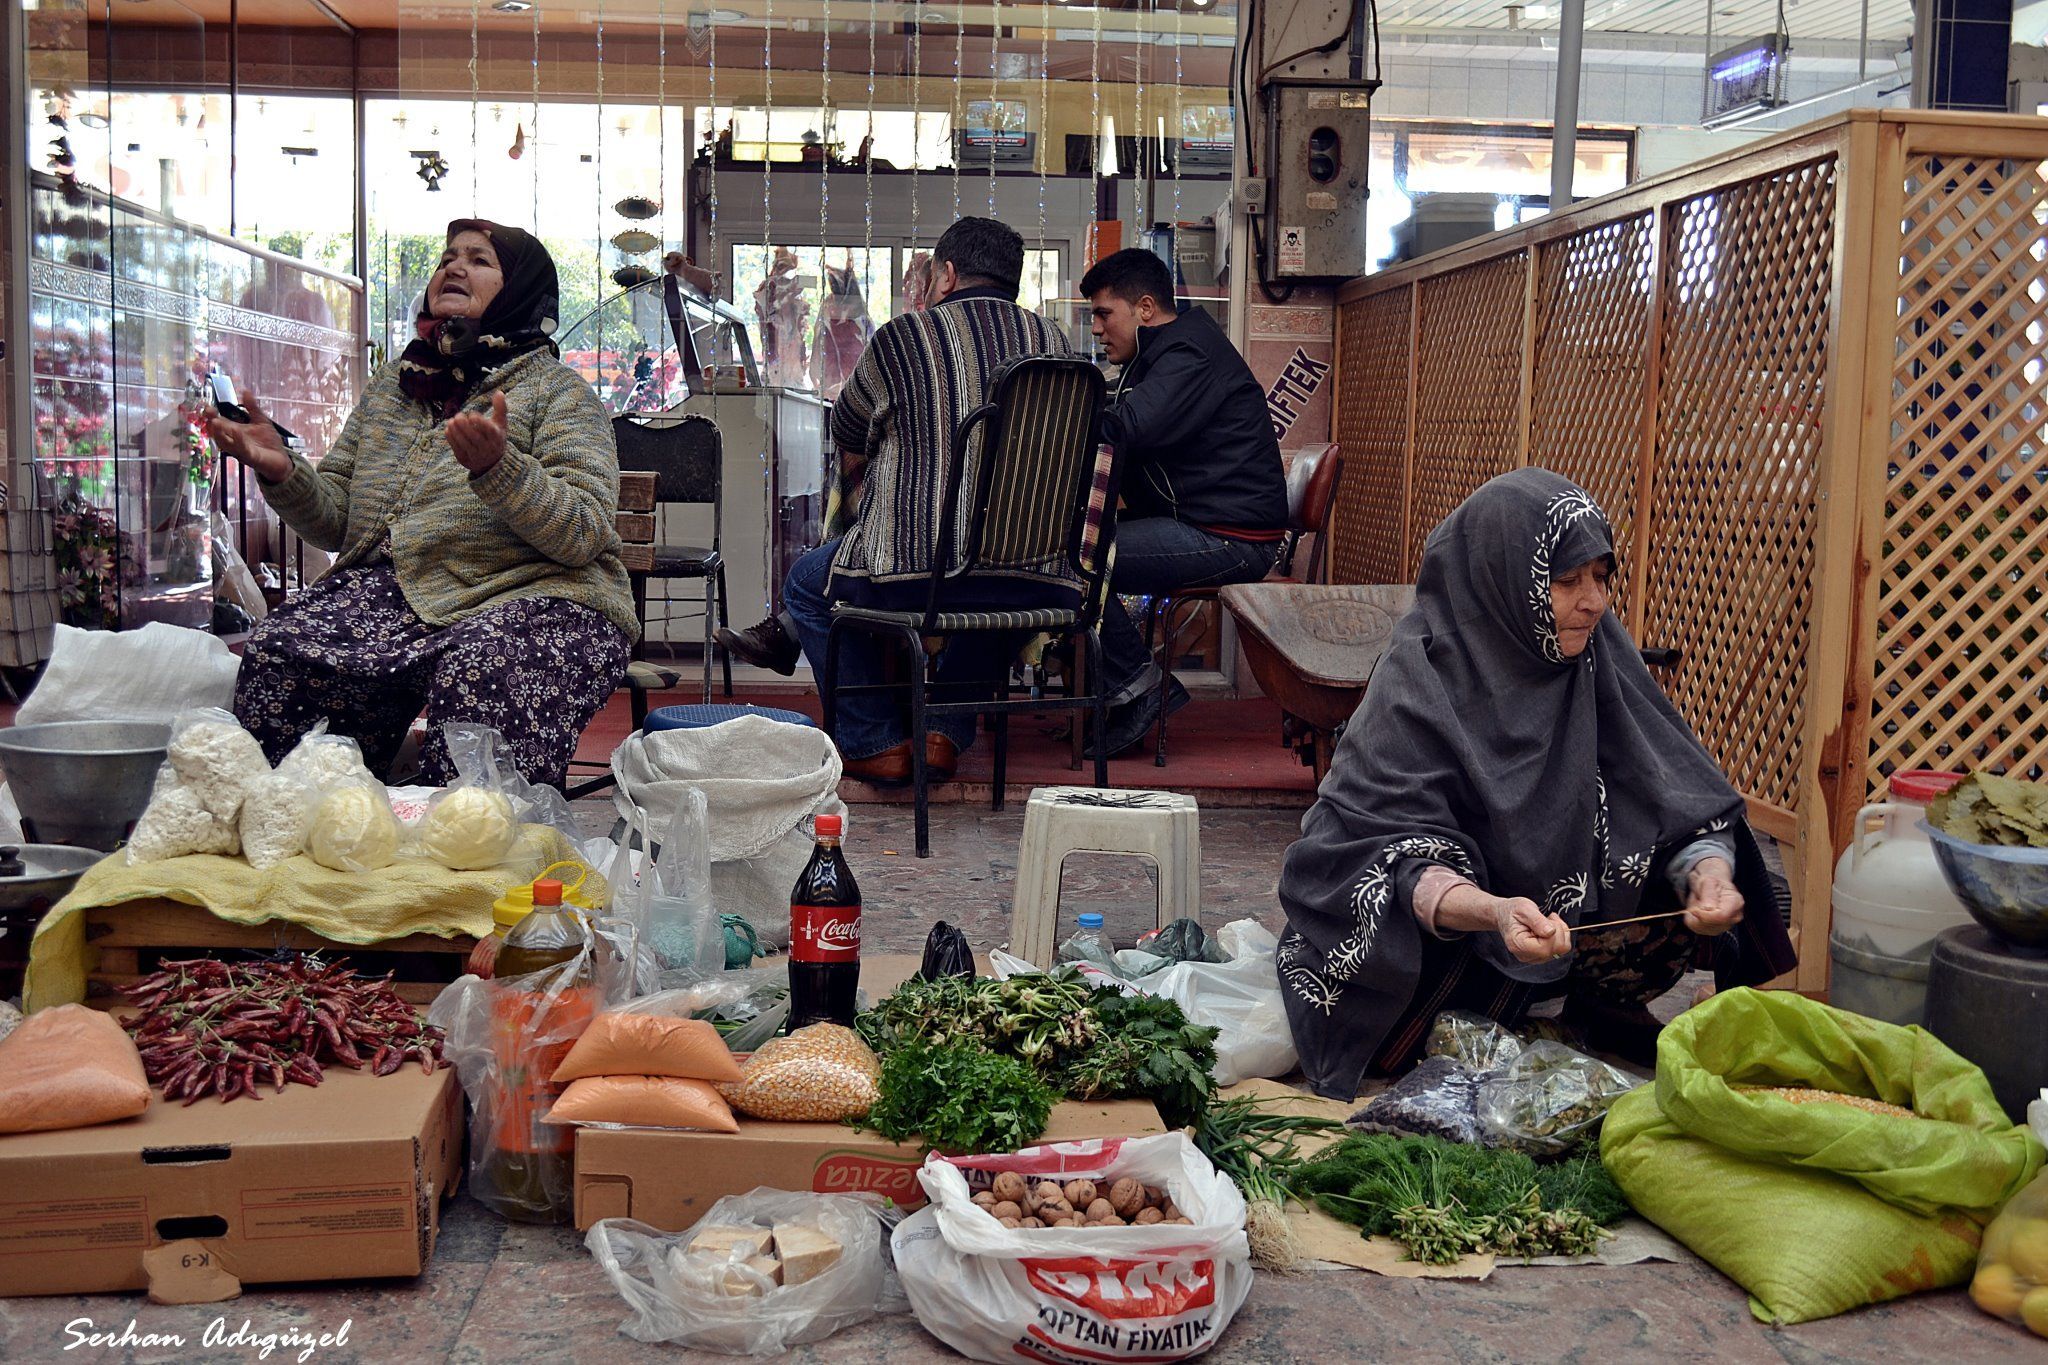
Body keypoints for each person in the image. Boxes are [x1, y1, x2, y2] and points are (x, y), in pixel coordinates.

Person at [1275, 468, 1797, 1098]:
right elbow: (1379, 851)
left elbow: (1676, 796)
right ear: (1504, 581)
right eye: (1568, 581)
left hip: (1557, 926)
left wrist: (1708, 877)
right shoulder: (1423, 677)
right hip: (1468, 937)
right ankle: (1518, 1015)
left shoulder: (1596, 655)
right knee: (1395, 1004)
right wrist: (1492, 912)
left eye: (1601, 578)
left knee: (1720, 852)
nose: (1595, 601)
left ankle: (1594, 1008)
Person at [214, 218, 637, 791]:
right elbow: (340, 521)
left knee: (487, 671)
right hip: (394, 598)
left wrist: (500, 469)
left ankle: (469, 861)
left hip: (534, 594)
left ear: (520, 291)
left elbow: (583, 531)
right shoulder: (397, 385)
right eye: (448, 257)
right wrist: (285, 470)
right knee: (281, 651)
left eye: (480, 260)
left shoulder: (557, 392)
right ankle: (318, 835)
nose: (454, 267)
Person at [718, 217, 1074, 783]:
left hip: (915, 570)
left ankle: (873, 739)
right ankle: (943, 731)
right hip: (1034, 570)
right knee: (996, 587)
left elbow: (851, 430)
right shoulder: (1055, 345)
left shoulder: (905, 337)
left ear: (948, 274)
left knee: (810, 585)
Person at [1077, 248, 1289, 757]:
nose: (1097, 330)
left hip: (1231, 538)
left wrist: (1050, 420)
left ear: (1145, 308)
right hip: (1205, 523)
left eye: (1105, 314)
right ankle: (1118, 687)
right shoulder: (1165, 354)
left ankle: (1138, 684)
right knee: (1071, 544)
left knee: (1074, 558)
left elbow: (1127, 427)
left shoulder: (1186, 354)